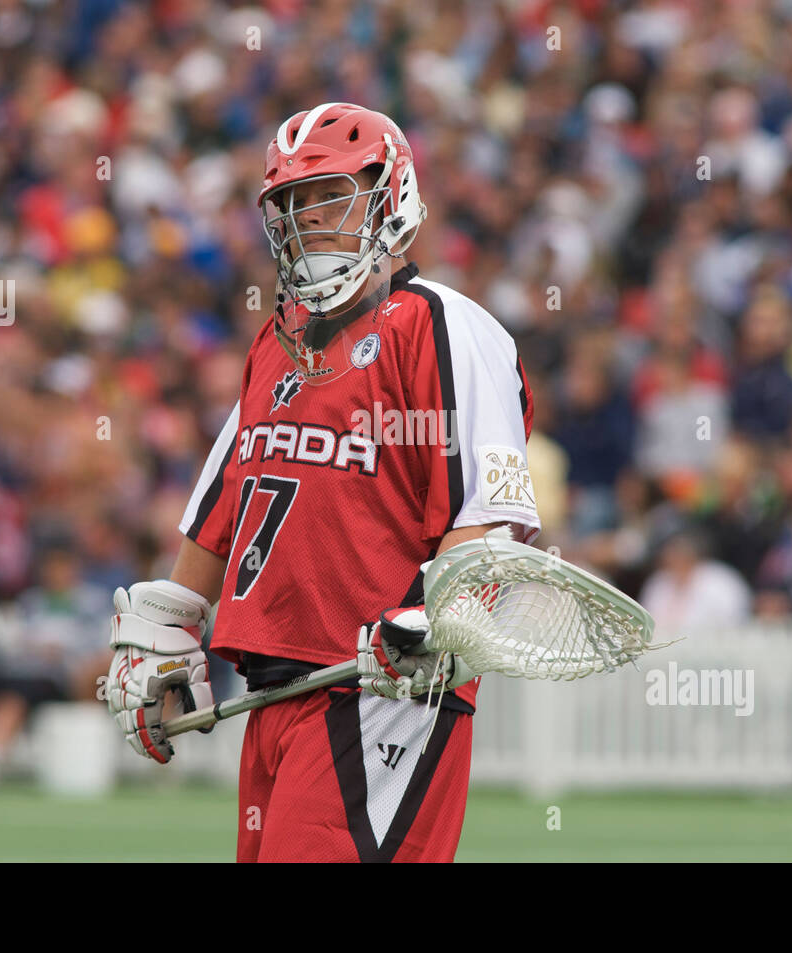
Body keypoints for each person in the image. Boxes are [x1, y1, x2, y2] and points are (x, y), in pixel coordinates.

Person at [104, 103, 539, 862]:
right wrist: (169, 625)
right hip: (278, 691)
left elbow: (488, 519)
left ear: (388, 191)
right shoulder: (279, 341)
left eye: (329, 196)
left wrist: (434, 618)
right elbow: (224, 508)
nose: (309, 221)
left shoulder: (440, 323)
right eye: (293, 204)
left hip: (382, 690)